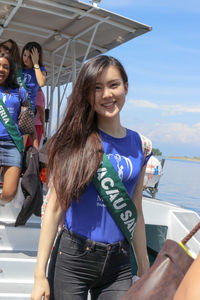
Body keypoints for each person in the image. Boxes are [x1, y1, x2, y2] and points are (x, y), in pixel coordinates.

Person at [31, 55, 152, 300]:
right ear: (87, 94)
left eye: (113, 85)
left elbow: (135, 209)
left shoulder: (140, 145)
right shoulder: (73, 141)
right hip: (73, 257)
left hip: (119, 264)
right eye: (97, 88)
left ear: (125, 87)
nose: (107, 94)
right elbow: (54, 208)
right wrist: (39, 276)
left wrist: (145, 268)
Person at [0, 53, 27, 205]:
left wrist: (33, 144)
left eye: (5, 66)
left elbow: (27, 121)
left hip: (13, 145)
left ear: (10, 71)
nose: (1, 69)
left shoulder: (20, 92)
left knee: (9, 194)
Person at [21, 41, 46, 149]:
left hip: (27, 109)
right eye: (24, 55)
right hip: (15, 106)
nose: (25, 59)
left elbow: (41, 82)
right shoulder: (18, 69)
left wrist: (36, 64)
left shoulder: (40, 70)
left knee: (21, 142)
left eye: (29, 57)